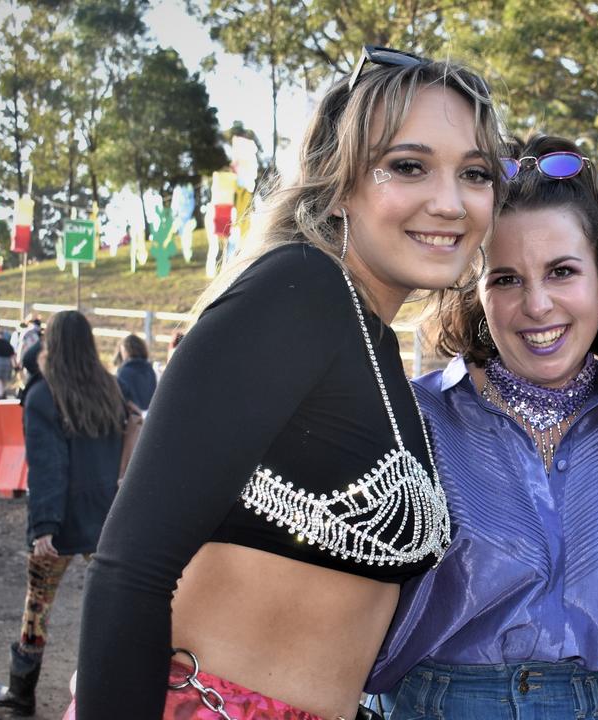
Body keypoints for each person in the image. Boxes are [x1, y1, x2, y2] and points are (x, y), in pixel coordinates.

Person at [72, 49, 502, 720]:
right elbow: (129, 570)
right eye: (409, 166)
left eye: (474, 173)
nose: (449, 202)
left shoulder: (371, 341)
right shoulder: (297, 290)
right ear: (338, 181)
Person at [370, 135, 598, 720]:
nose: (537, 305)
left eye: (561, 272)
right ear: (477, 292)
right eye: (506, 279)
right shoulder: (411, 420)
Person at [0, 312, 125, 716]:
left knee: (38, 608)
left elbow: (48, 465)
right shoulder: (111, 389)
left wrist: (43, 526)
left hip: (60, 522)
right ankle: (111, 691)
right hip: (107, 520)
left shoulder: (45, 395)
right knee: (111, 609)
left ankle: (20, 693)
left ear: (54, 344)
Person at [114, 335, 157, 411]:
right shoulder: (150, 371)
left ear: (125, 351)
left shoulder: (123, 372)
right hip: (151, 417)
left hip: (134, 418)